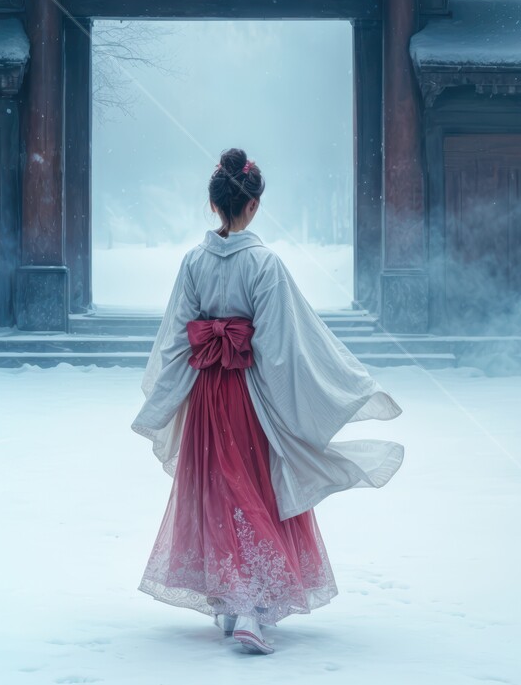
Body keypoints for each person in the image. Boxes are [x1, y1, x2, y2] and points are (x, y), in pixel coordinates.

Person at [131, 148, 404, 655]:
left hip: (207, 392)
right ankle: (251, 608)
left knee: (218, 490)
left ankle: (235, 599)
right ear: (253, 205)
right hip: (248, 394)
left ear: (214, 206)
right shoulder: (264, 263)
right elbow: (284, 345)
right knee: (252, 489)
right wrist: (331, 390)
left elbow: (175, 337)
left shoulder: (193, 262)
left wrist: (166, 399)